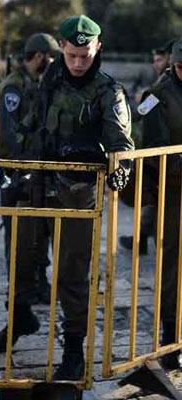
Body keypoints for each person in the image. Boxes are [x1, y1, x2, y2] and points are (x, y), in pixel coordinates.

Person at [0, 15, 134, 380]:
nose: (78, 63)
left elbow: (121, 144)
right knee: (22, 260)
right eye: (72, 56)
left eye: (86, 56)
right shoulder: (50, 81)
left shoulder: (108, 91)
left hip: (77, 193)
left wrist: (119, 169)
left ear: (97, 48)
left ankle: (73, 351)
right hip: (37, 185)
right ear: (63, 48)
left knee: (72, 273)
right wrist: (14, 168)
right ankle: (19, 318)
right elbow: (30, 126)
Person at [0, 33, 61, 305]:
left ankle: (39, 283)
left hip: (40, 172)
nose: (53, 62)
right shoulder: (13, 88)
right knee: (18, 236)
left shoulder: (41, 84)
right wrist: (26, 163)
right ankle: (19, 290)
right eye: (50, 57)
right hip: (17, 173)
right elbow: (9, 135)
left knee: (41, 231)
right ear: (39, 56)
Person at [135, 38, 182, 369]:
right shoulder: (156, 96)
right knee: (173, 265)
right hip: (175, 191)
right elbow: (154, 148)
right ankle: (170, 336)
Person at [119, 39, 174, 254]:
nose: (155, 63)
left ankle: (144, 240)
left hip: (164, 153)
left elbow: (142, 110)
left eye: (160, 59)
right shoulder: (164, 82)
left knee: (157, 198)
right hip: (164, 153)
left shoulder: (164, 84)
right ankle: (143, 239)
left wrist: (135, 107)